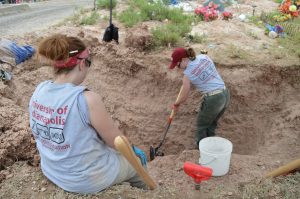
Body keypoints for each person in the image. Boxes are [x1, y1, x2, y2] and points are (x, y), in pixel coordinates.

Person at [29, 34, 147, 194]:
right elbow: (116, 142)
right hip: (85, 180)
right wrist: (133, 150)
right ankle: (147, 191)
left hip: (52, 170)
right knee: (136, 164)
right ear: (82, 64)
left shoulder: (40, 90)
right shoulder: (86, 99)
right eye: (89, 63)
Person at [169, 47, 230, 147]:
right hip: (225, 94)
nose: (177, 67)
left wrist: (176, 104)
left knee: (201, 126)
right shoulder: (204, 57)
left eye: (178, 64)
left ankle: (201, 151)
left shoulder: (187, 74)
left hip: (214, 99)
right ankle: (211, 147)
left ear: (184, 59)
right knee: (211, 123)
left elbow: (184, 96)